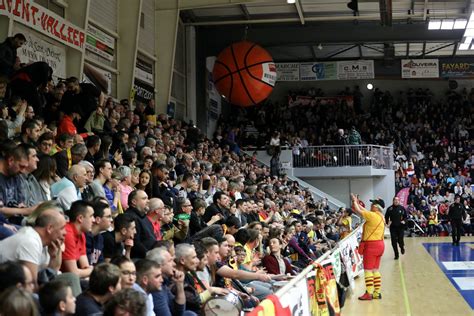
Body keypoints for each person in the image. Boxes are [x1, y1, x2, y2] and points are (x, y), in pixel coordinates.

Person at [350, 194, 385, 301]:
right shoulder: (380, 216)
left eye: (372, 204)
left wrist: (355, 201)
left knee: (368, 270)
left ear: (375, 206)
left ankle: (369, 293)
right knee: (375, 269)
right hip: (380, 245)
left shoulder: (372, 215)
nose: (370, 205)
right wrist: (357, 203)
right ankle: (377, 292)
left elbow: (358, 210)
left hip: (371, 246)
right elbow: (364, 209)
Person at [61, 200, 95, 278]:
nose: (93, 220)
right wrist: (93, 270)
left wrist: (90, 271)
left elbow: (85, 266)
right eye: (91, 216)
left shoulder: (81, 234)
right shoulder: (67, 234)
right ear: (80, 218)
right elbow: (73, 273)